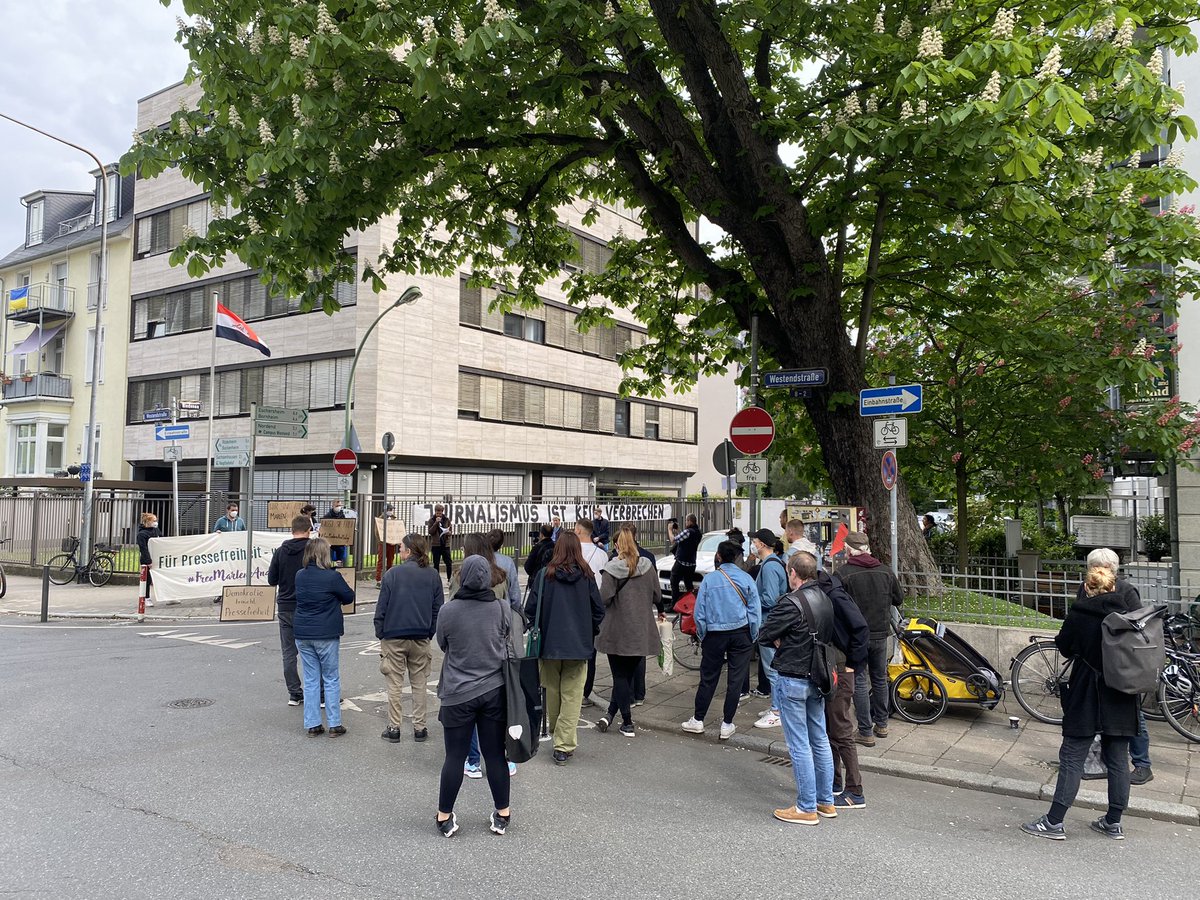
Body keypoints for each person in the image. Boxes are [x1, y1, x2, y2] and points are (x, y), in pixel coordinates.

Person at [1021, 564, 1138, 841]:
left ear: (1087, 587)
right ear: (1113, 588)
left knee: (1072, 756)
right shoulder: (1129, 616)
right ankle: (1113, 822)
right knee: (1119, 760)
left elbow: (1063, 645)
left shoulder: (1080, 614)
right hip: (1121, 694)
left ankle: (1054, 822)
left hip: (1087, 690)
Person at [434, 556, 512, 837]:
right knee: (495, 754)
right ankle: (502, 813)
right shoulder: (502, 608)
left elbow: (443, 644)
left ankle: (444, 816)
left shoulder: (448, 611)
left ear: (463, 578)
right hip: (494, 690)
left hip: (457, 692)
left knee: (454, 756)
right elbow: (509, 640)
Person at [760, 551, 837, 825]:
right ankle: (825, 801)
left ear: (792, 572)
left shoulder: (790, 603)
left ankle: (806, 807)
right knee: (819, 738)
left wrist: (782, 642)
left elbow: (765, 633)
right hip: (818, 676)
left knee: (799, 744)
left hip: (793, 676)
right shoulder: (825, 599)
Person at [524, 531, 604, 765]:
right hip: (578, 646)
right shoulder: (587, 576)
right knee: (573, 695)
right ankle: (564, 744)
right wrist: (588, 631)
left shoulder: (543, 575)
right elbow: (599, 611)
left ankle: (557, 733)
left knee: (553, 691)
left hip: (549, 644)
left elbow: (530, 609)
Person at [1080, 548, 1152, 785]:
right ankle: (1099, 760)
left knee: (1133, 713)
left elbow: (1138, 623)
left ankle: (1142, 763)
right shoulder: (1087, 586)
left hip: (1120, 661)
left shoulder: (1125, 590)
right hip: (1096, 660)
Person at [681, 540, 761, 740]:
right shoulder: (746, 578)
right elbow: (754, 610)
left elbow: (700, 612)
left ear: (718, 556)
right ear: (736, 557)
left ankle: (698, 719)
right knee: (736, 679)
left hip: (715, 634)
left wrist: (703, 634)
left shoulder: (710, 579)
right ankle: (727, 723)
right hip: (741, 632)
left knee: (708, 677)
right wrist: (752, 633)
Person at [375, 533, 444, 743]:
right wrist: (429, 631)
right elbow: (437, 609)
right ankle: (420, 727)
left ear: (408, 550)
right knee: (419, 683)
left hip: (394, 635)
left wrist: (381, 632)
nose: (399, 551)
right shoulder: (433, 575)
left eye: (401, 548)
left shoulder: (392, 574)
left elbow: (382, 608)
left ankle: (394, 727)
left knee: (394, 683)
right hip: (420, 636)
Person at [839, 530, 904, 747]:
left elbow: (837, 605)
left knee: (858, 679)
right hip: (880, 634)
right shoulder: (885, 571)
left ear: (848, 550)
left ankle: (865, 731)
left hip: (856, 636)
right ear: (868, 549)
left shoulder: (843, 573)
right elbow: (898, 598)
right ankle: (882, 724)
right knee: (879, 678)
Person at [595, 528, 661, 738]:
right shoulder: (648, 566)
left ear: (616, 546)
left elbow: (603, 598)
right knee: (626, 675)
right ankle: (610, 714)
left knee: (620, 676)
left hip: (617, 630)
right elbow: (658, 595)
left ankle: (628, 721)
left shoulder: (612, 568)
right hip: (641, 629)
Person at [816, 561, 871, 808]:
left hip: (841, 669)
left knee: (840, 729)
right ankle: (836, 782)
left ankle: (854, 790)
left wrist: (853, 664)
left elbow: (861, 628)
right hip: (835, 668)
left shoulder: (835, 596)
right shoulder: (829, 593)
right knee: (831, 727)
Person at [293, 537, 355, 737]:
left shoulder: (300, 575)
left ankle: (312, 724)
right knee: (330, 678)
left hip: (303, 631)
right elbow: (349, 596)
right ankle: (334, 724)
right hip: (326, 632)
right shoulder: (331, 577)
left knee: (310, 680)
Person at [268, 515, 312, 706]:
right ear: (309, 530)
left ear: (292, 530)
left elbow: (272, 580)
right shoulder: (313, 549)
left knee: (288, 652)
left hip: (285, 605)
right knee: (314, 651)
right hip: (308, 605)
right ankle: (318, 692)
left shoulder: (280, 551)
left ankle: (294, 693)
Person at [750, 529, 788, 729]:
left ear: (762, 544)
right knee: (772, 667)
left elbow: (771, 598)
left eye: (754, 541)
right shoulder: (771, 564)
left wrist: (751, 600)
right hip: (770, 622)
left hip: (769, 623)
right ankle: (776, 706)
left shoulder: (770, 567)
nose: (753, 544)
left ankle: (777, 711)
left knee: (772, 669)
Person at [573, 517, 608, 707]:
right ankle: (586, 691)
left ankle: (571, 686)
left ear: (579, 530)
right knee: (591, 652)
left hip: (573, 605)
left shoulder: (572, 551)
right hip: (594, 606)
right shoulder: (601, 554)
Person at [625, 522, 659, 705]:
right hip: (644, 610)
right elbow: (656, 590)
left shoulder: (616, 558)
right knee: (640, 654)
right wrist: (660, 609)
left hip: (624, 613)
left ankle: (628, 694)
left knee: (624, 656)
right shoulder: (649, 557)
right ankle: (639, 693)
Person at [668, 514, 702, 608]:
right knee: (689, 585)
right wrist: (678, 530)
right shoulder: (698, 532)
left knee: (674, 582)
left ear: (690, 521)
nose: (686, 523)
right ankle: (691, 604)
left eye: (686, 521)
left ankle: (674, 604)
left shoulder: (688, 531)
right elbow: (686, 538)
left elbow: (673, 540)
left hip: (681, 562)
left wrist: (670, 530)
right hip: (691, 563)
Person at [487, 528, 522, 608]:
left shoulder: (480, 560)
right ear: (501, 544)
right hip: (504, 608)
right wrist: (515, 608)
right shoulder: (508, 562)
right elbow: (514, 590)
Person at [136, 511, 161, 608]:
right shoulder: (142, 534)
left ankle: (168, 597)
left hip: (157, 558)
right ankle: (146, 598)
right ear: (148, 522)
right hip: (147, 560)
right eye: (154, 520)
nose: (156, 522)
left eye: (156, 520)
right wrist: (148, 561)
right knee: (147, 580)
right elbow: (143, 548)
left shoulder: (156, 530)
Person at [375, 504, 401, 584]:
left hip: (391, 543)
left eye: (391, 510)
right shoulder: (380, 519)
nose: (391, 511)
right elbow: (377, 532)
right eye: (390, 509)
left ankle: (389, 578)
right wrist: (381, 540)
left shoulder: (393, 518)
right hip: (383, 543)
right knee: (381, 561)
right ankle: (378, 579)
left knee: (390, 560)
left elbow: (396, 530)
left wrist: (396, 540)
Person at [427, 504, 453, 579]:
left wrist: (449, 533)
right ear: (435, 512)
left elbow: (450, 530)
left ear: (442, 512)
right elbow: (431, 532)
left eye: (440, 513)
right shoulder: (431, 520)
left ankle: (449, 579)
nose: (439, 515)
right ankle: (436, 579)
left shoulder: (446, 520)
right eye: (437, 513)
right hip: (436, 545)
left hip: (445, 545)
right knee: (436, 564)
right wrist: (436, 523)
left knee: (448, 563)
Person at [325, 499, 349, 566]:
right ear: (332, 505)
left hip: (340, 541)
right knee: (329, 559)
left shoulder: (342, 515)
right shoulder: (327, 516)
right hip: (330, 542)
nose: (339, 507)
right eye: (337, 505)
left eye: (340, 505)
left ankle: (339, 568)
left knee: (340, 558)